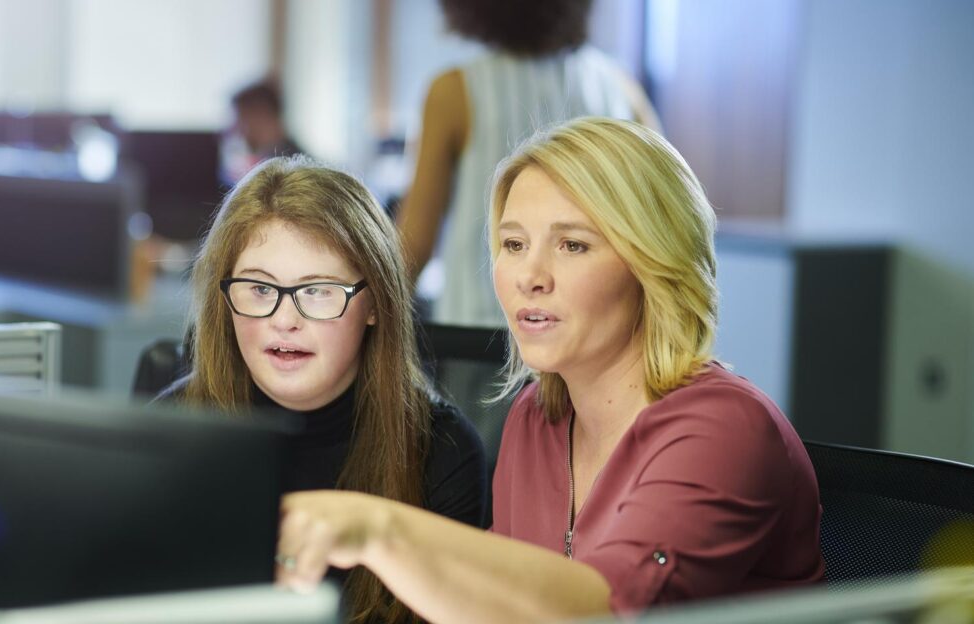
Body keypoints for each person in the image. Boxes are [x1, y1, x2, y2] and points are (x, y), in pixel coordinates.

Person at [276, 118, 825, 622]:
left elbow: (605, 611)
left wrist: (380, 529)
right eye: (513, 244)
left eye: (572, 245)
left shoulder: (724, 427)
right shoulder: (536, 417)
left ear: (652, 263)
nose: (529, 276)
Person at [161, 155, 487, 623]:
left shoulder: (442, 452)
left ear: (374, 303)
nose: (284, 320)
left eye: (317, 291)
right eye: (258, 288)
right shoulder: (171, 429)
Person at [397, 0, 660, 327]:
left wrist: (367, 316)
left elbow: (414, 243)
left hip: (481, 337)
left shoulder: (454, 92)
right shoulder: (620, 90)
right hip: (593, 335)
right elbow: (658, 225)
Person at [220, 79, 307, 186]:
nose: (234, 130)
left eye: (240, 120)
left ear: (262, 116)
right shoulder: (282, 162)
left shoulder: (289, 175)